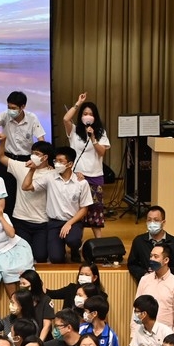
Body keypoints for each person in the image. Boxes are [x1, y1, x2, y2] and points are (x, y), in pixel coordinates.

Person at [60, 94, 109, 241]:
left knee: (95, 210)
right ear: (81, 116)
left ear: (95, 117)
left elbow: (102, 152)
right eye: (85, 113)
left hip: (95, 176)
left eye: (91, 114)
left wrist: (93, 138)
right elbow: (65, 119)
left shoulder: (100, 132)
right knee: (77, 210)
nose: (88, 116)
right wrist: (78, 103)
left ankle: (99, 243)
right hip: (78, 176)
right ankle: (76, 241)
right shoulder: (74, 131)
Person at [127, 207, 174, 283]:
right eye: (149, 220)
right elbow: (132, 265)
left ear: (163, 222)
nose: (152, 223)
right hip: (146, 284)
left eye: (156, 220)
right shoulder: (139, 241)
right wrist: (145, 275)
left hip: (168, 284)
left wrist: (165, 274)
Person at [134, 246, 174, 333]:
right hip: (143, 333)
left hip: (165, 335)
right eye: (151, 256)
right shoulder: (144, 280)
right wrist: (134, 333)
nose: (152, 259)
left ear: (166, 260)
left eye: (156, 256)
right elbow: (136, 309)